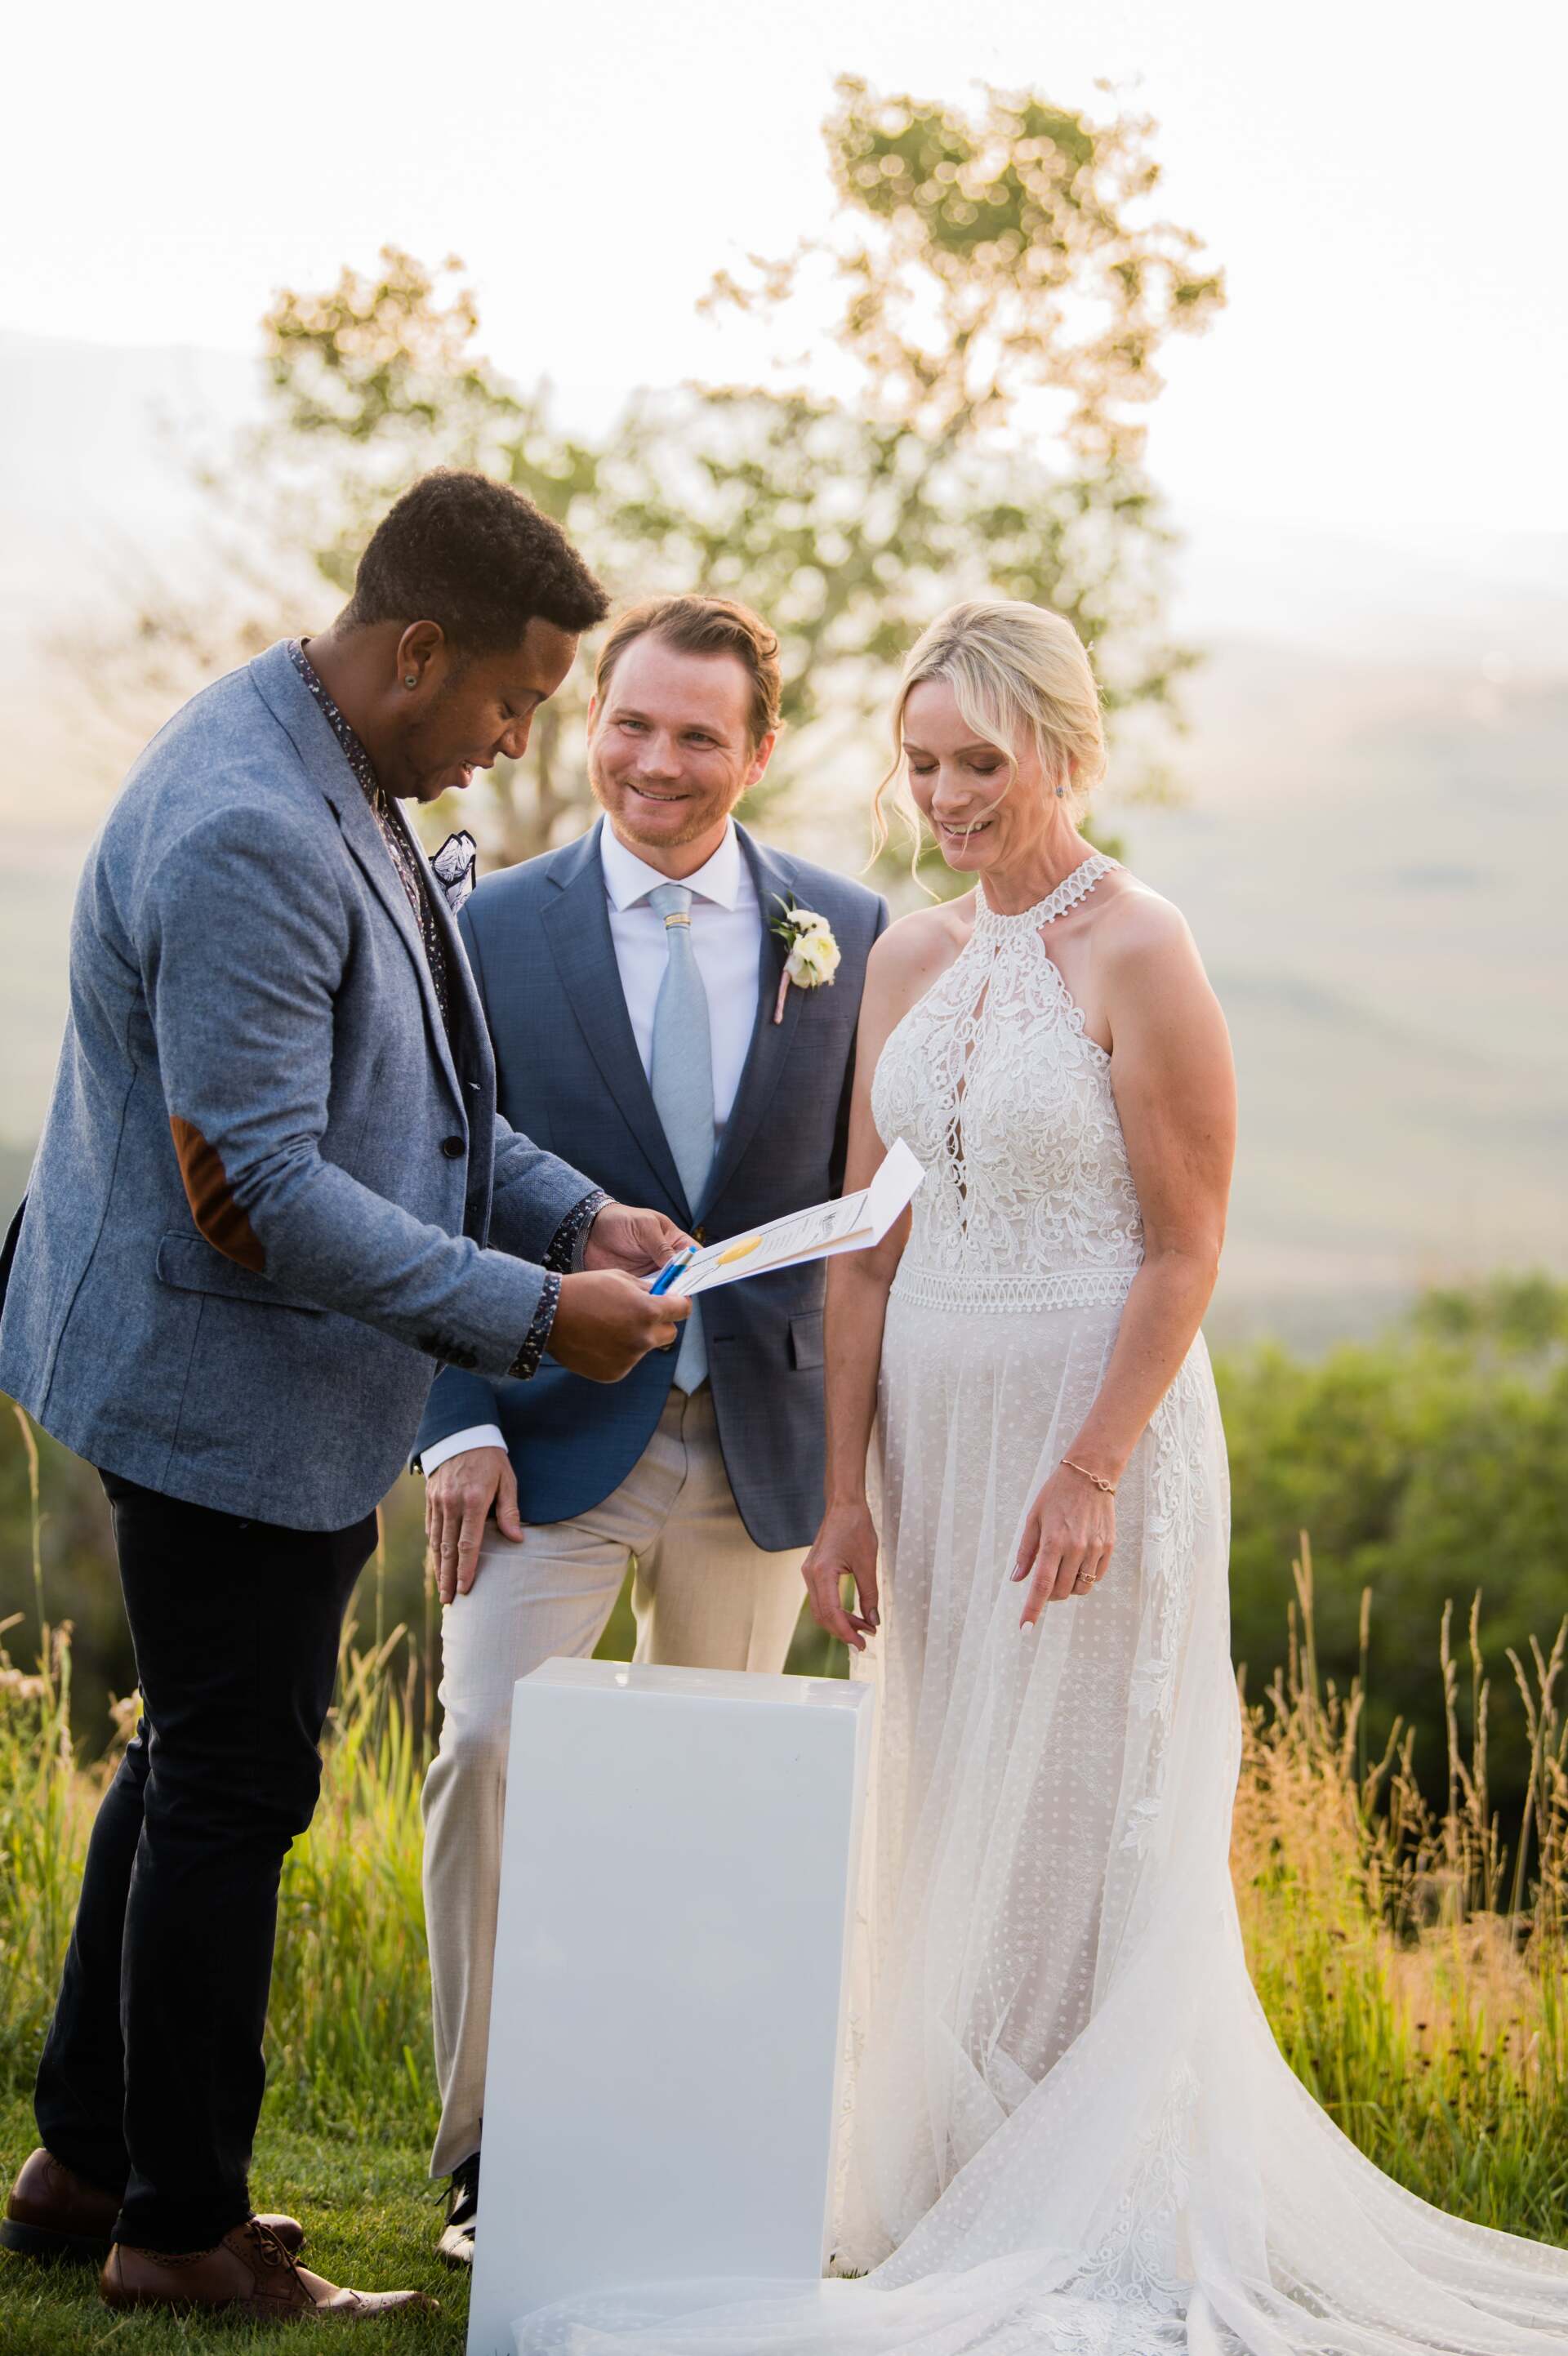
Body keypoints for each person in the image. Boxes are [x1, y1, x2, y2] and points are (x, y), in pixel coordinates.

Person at [514, 599, 1568, 2354]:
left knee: (1081, 1815)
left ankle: (1093, 2196)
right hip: (933, 1441)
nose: (945, 797)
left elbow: (1187, 1245)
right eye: (921, 764)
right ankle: (955, 2179)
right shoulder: (907, 955)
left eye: (979, 764)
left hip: (1095, 1441)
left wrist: (1091, 1466)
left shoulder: (1142, 947)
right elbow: (865, 1252)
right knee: (950, 1803)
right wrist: (843, 1497)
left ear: (1066, 751)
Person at [0, 470, 690, 2323]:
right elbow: (261, 1189)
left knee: (191, 1754)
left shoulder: (334, 756)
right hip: (210, 1381)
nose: (517, 742)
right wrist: (538, 1315)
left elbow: (420, 1093)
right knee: (240, 1780)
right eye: (513, 702)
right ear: (417, 650)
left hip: (250, 1373)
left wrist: (576, 1213)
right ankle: (181, 2228)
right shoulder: (253, 824)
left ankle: (85, 2163)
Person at [413, 595, 887, 2265]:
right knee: (488, 1748)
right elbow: (424, 1176)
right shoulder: (487, 926)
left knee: (712, 1790)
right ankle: (486, 2154)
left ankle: (674, 2134)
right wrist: (451, 1425)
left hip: (759, 1448)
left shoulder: (849, 930)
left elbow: (871, 1208)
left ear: (760, 751)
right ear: (591, 720)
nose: (656, 762)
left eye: (699, 734)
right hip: (539, 1432)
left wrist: (861, 1471)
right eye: (631, 722)